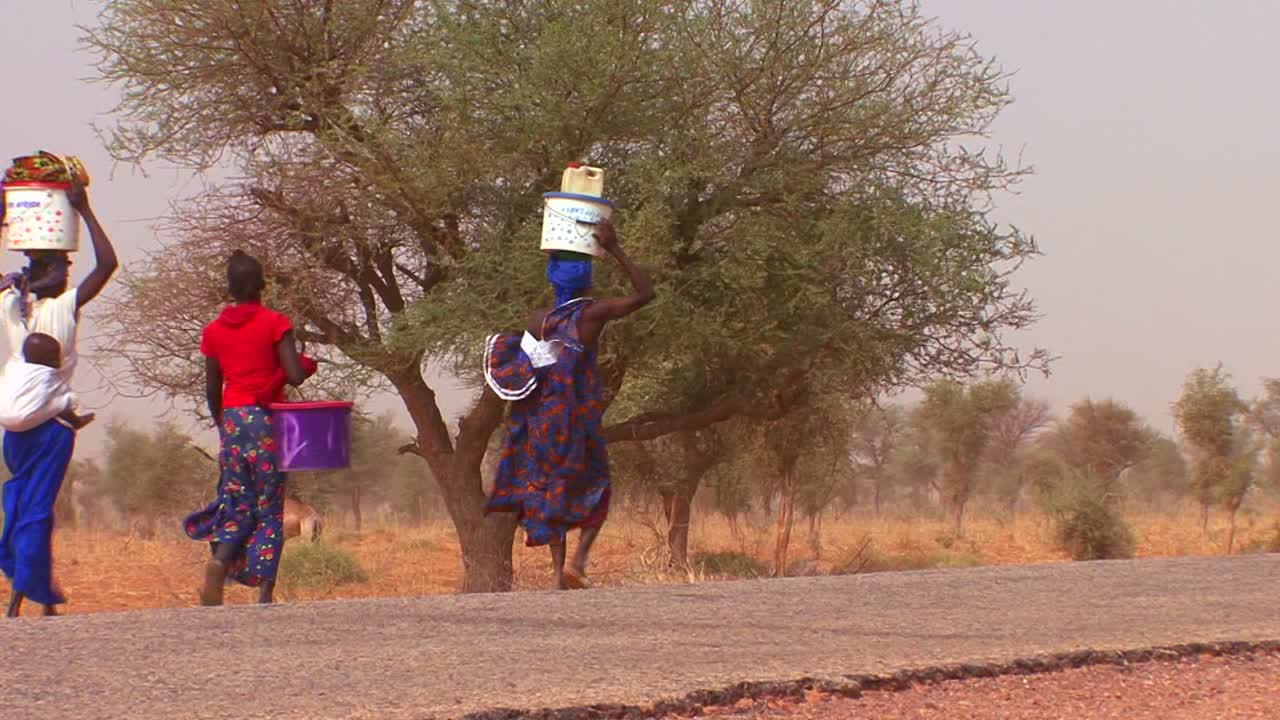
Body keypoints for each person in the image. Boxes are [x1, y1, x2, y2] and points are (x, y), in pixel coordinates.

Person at [484, 218, 655, 589]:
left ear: (553, 280)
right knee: (597, 483)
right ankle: (578, 561)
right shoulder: (592, 313)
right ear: (587, 279)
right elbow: (645, 294)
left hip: (542, 420)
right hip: (577, 417)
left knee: (552, 488)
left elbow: (531, 368)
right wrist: (615, 247)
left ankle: (558, 572)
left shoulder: (537, 319)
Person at [0, 177, 116, 618]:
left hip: (18, 431)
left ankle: (33, 593)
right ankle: (25, 596)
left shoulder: (13, 304)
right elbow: (107, 264)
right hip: (47, 432)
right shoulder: (59, 307)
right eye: (59, 266)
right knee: (35, 512)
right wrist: (83, 209)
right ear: (40, 272)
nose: (66, 273)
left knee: (26, 506)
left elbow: (103, 266)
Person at [184, 250, 316, 606]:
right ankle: (264, 592)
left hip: (233, 418)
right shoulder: (275, 322)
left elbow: (212, 388)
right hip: (267, 421)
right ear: (262, 285)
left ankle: (219, 561)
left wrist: (223, 425)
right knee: (270, 508)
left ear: (229, 288)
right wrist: (304, 363)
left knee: (239, 504)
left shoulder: (213, 332)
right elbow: (294, 374)